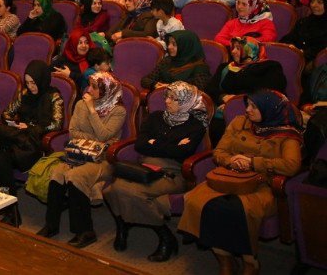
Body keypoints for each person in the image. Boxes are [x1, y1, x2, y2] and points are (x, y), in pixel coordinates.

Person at [178, 90, 303, 275]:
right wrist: (232, 160)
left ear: (270, 110)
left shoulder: (287, 134)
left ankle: (249, 261)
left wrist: (253, 163)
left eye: (254, 106)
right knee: (197, 201)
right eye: (247, 105)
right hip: (228, 177)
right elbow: (219, 152)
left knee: (235, 210)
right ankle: (224, 259)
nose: (247, 110)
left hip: (261, 184)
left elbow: (291, 166)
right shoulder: (239, 122)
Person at [104, 81, 209, 262]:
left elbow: (183, 152)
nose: (167, 101)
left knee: (130, 191)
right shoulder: (155, 117)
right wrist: (171, 145)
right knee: (113, 189)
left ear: (186, 101)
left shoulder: (195, 126)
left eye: (174, 99)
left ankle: (161, 236)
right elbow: (140, 144)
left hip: (173, 173)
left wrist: (154, 143)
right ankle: (140, 229)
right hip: (143, 167)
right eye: (166, 97)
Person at [39, 72, 126, 248]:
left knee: (76, 176)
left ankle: (85, 231)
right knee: (57, 173)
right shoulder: (80, 104)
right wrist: (95, 138)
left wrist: (92, 111)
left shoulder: (118, 111)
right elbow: (73, 132)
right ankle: (51, 224)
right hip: (78, 153)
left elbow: (104, 136)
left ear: (105, 90)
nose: (88, 90)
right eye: (89, 85)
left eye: (94, 87)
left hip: (103, 159)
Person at [0, 61, 64, 194]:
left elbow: (56, 124)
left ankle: (6, 203)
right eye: (28, 82)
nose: (30, 87)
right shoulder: (25, 93)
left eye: (33, 83)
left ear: (42, 80)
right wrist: (14, 123)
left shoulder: (54, 97)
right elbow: (6, 113)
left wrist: (29, 127)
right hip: (17, 139)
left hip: (33, 143)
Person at [141, 30, 210, 92]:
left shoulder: (200, 68)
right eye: (169, 43)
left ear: (185, 46)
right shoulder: (167, 60)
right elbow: (145, 80)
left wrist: (169, 87)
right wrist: (155, 84)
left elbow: (197, 90)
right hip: (159, 99)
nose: (169, 47)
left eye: (174, 44)